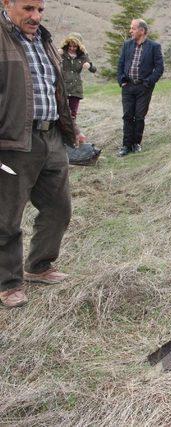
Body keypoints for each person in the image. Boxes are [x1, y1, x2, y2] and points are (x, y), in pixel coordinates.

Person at [0, 0, 80, 308]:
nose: (36, 16)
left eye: (41, 10)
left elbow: (54, 89)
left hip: (52, 137)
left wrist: (71, 127)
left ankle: (39, 265)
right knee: (6, 217)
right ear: (7, 3)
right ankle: (8, 283)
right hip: (12, 142)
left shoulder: (45, 40)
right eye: (28, 8)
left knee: (59, 208)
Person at [116, 19, 164, 157]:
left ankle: (136, 144)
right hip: (128, 86)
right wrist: (121, 80)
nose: (130, 31)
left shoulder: (154, 46)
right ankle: (126, 146)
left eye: (133, 28)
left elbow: (159, 68)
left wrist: (148, 82)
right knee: (127, 116)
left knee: (139, 116)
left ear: (142, 31)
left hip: (144, 87)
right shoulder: (127, 45)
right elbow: (120, 64)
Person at [60, 32, 96, 121]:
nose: (72, 48)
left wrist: (89, 66)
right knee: (60, 113)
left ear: (79, 47)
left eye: (75, 46)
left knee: (72, 115)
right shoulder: (61, 53)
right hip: (62, 87)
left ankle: (72, 133)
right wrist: (56, 54)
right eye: (70, 46)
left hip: (76, 89)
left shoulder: (83, 56)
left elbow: (94, 69)